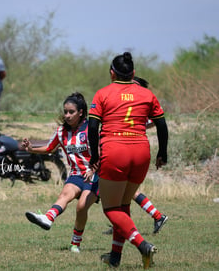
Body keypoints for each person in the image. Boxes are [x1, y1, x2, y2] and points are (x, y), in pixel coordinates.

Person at [88, 52, 169, 269]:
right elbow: (161, 124)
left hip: (115, 152)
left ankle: (143, 245)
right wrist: (163, 152)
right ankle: (115, 257)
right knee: (123, 205)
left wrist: (95, 156)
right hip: (141, 152)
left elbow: (93, 127)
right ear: (133, 73)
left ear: (112, 73)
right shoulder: (146, 94)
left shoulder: (103, 93)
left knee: (111, 208)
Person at [23, 92, 99, 253]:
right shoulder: (61, 132)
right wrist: (31, 148)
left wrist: (93, 169)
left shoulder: (90, 130)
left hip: (95, 175)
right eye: (65, 112)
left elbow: (102, 151)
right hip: (77, 175)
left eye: (71, 112)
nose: (67, 115)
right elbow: (49, 148)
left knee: (81, 207)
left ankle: (75, 243)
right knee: (64, 195)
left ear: (81, 112)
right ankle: (48, 218)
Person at [102, 77, 168, 236]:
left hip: (126, 150)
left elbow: (156, 122)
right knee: (125, 195)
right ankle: (121, 225)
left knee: (125, 195)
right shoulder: (123, 103)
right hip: (126, 149)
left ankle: (152, 218)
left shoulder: (141, 103)